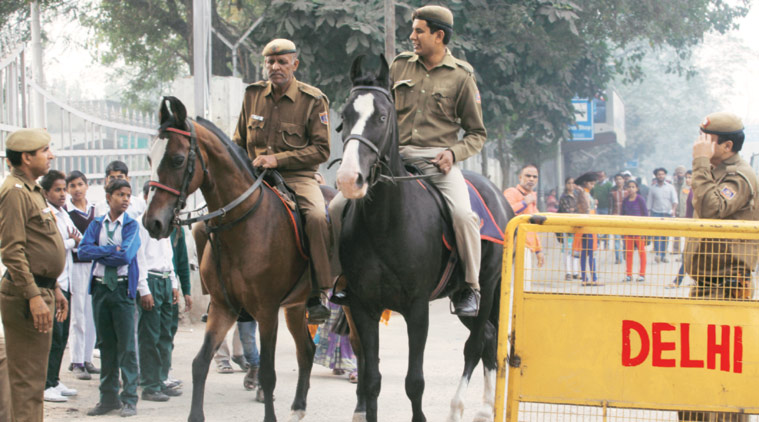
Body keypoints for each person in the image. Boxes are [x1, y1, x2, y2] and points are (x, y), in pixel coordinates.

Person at [332, 5, 487, 317]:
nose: (412, 36)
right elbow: (377, 108)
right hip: (392, 159)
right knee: (336, 208)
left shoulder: (462, 77)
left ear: (438, 35)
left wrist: (453, 154)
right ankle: (341, 276)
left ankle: (469, 287)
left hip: (436, 162)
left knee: (463, 217)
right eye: (412, 30)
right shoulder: (399, 66)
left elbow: (476, 133)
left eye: (419, 31)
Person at [232, 38, 331, 324]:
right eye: (270, 62)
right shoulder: (252, 95)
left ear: (294, 64)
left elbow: (321, 150)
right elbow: (238, 141)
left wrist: (279, 159)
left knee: (315, 216)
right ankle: (226, 294)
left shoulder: (313, 100)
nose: (275, 67)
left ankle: (318, 292)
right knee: (209, 222)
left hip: (296, 177)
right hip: (255, 177)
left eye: (282, 62)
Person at [681, 113, 759, 422]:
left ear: (726, 146)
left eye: (707, 139)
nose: (699, 144)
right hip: (708, 283)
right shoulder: (716, 171)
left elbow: (712, 208)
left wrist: (700, 165)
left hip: (727, 285)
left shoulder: (740, 176)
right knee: (697, 364)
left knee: (725, 368)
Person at [0, 128, 68, 422]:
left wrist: (52, 288)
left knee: (32, 381)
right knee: (27, 383)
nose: (50, 155)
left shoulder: (32, 190)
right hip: (27, 296)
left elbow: (36, 248)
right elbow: (12, 251)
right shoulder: (14, 193)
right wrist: (33, 296)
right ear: (27, 158)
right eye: (45, 150)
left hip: (41, 291)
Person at [79, 179, 146, 417]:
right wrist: (110, 251)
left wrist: (102, 253)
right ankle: (108, 399)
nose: (126, 199)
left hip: (121, 290)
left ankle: (129, 399)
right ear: (109, 197)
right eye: (120, 195)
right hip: (100, 290)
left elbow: (126, 256)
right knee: (106, 345)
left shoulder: (131, 226)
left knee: (127, 347)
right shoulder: (97, 224)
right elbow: (83, 250)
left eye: (128, 195)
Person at [136, 182, 182, 402]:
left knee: (166, 334)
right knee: (150, 335)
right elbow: (139, 258)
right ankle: (150, 384)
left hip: (164, 280)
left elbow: (168, 256)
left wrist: (174, 283)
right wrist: (144, 289)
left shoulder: (163, 224)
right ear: (146, 197)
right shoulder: (141, 224)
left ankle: (161, 378)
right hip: (151, 281)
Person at [41, 170, 80, 402]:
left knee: (63, 334)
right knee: (54, 335)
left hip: (68, 280)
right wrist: (70, 241)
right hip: (55, 282)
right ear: (46, 192)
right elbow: (53, 243)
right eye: (58, 190)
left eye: (64, 189)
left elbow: (79, 239)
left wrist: (72, 241)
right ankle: (45, 384)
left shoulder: (64, 214)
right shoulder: (48, 214)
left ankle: (54, 379)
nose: (63, 194)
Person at [65, 170, 100, 380]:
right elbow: (72, 240)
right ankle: (76, 360)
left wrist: (83, 243)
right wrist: (82, 243)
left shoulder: (95, 210)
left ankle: (88, 358)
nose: (77, 189)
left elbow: (90, 239)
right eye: (72, 186)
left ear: (86, 185)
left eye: (80, 184)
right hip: (77, 265)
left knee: (91, 314)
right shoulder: (67, 212)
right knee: (78, 313)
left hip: (94, 265)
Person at [503, 164, 545, 290]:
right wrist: (524, 202)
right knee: (511, 283)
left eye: (534, 177)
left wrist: (538, 250)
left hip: (527, 246)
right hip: (513, 243)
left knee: (524, 285)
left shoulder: (532, 197)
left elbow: (533, 227)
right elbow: (507, 212)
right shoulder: (512, 192)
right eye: (528, 176)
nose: (531, 179)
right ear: (520, 177)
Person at [165, 226, 191, 390]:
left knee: (169, 331)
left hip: (172, 285)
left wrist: (187, 290)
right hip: (151, 283)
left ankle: (165, 371)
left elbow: (181, 260)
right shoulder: (145, 225)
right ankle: (148, 374)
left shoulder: (177, 230)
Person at [573, 172, 601, 286]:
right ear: (585, 183)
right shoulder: (584, 193)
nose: (592, 185)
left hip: (585, 225)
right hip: (588, 224)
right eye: (591, 183)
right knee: (591, 253)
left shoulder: (584, 193)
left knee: (585, 253)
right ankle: (593, 278)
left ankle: (585, 278)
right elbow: (586, 209)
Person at [647, 167, 678, 263]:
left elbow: (675, 201)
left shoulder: (670, 187)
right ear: (656, 176)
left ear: (665, 175)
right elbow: (649, 203)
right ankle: (658, 254)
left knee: (665, 235)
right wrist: (649, 215)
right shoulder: (652, 189)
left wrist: (673, 210)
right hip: (656, 213)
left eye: (662, 174)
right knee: (656, 235)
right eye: (659, 174)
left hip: (667, 214)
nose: (661, 176)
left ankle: (664, 255)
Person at [620, 180, 647, 282]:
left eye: (633, 187)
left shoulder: (640, 200)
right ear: (626, 189)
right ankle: (628, 274)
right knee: (629, 253)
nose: (631, 189)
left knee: (642, 252)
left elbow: (645, 214)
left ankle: (642, 274)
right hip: (628, 231)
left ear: (637, 189)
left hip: (639, 231)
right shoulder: (625, 201)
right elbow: (622, 215)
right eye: (629, 187)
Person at [557, 177, 579, 280]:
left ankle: (575, 272)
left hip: (577, 227)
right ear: (566, 184)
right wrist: (573, 211)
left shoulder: (576, 196)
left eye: (573, 183)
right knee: (567, 250)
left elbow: (579, 209)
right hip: (567, 227)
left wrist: (574, 210)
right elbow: (566, 211)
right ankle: (568, 272)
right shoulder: (564, 197)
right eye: (569, 183)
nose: (571, 185)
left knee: (576, 250)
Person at [609, 173, 626, 264]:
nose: (619, 181)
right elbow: (610, 206)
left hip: (626, 218)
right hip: (615, 216)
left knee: (625, 239)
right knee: (616, 238)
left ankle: (625, 254)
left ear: (623, 180)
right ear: (615, 181)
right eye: (617, 179)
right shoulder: (612, 192)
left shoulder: (628, 191)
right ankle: (618, 258)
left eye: (620, 179)